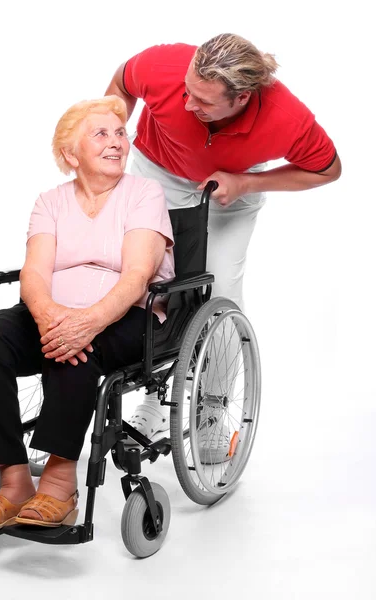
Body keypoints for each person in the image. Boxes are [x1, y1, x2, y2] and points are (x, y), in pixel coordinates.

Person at [105, 32, 341, 456]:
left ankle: (211, 408)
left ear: (242, 98)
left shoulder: (286, 117)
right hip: (156, 174)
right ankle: (154, 400)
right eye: (187, 91)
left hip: (229, 194)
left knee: (219, 294)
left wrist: (247, 181)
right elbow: (122, 83)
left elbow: (327, 169)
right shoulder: (164, 66)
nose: (187, 104)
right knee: (147, 286)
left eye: (203, 101)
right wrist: (112, 135)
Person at [0, 95, 175, 529]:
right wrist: (51, 317)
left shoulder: (143, 193)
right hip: (52, 312)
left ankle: (59, 485)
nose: (116, 142)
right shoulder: (51, 201)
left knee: (79, 347)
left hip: (128, 315)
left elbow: (136, 275)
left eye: (119, 133)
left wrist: (87, 321)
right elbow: (34, 273)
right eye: (101, 134)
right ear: (70, 154)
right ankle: (14, 480)